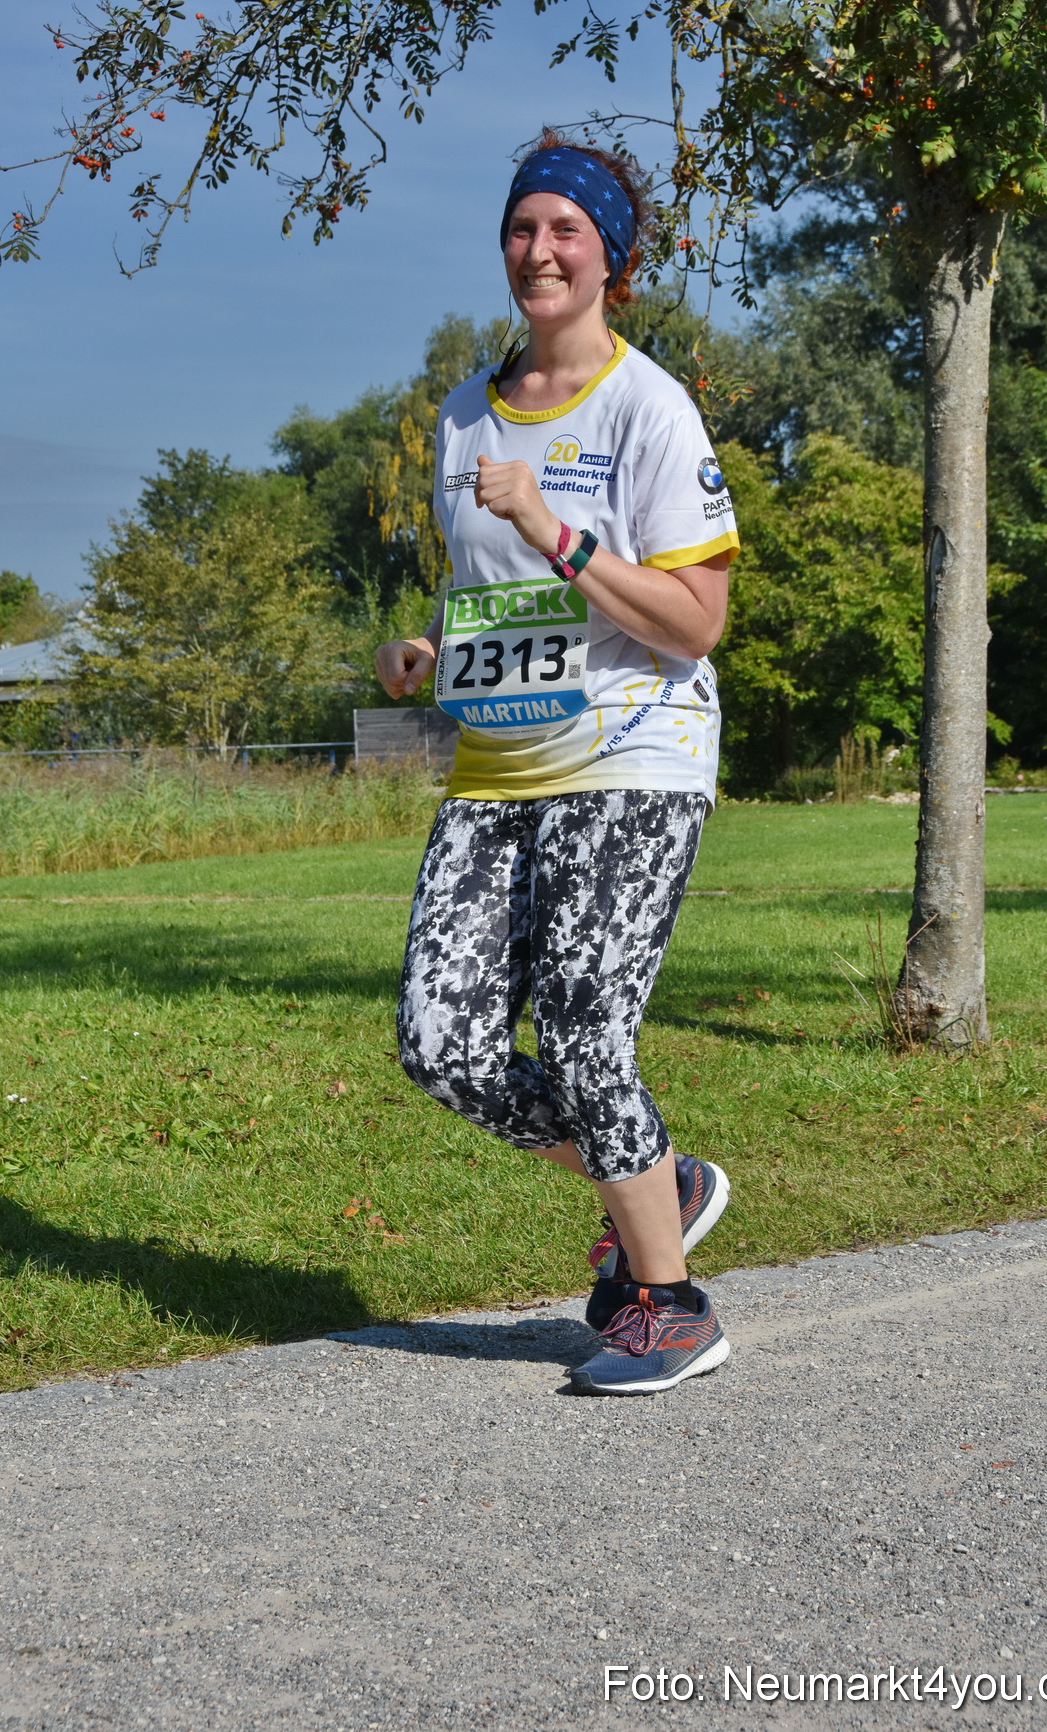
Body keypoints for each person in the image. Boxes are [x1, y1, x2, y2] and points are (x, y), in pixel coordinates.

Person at [375, 129, 740, 1396]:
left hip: (635, 754)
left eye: (566, 232)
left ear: (608, 260)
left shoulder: (648, 404)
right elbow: (488, 594)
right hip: (494, 772)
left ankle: (669, 1304)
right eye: (524, 229)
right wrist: (424, 646)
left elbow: (696, 619)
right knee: (443, 1043)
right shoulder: (463, 414)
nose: (540, 250)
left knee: (587, 1024)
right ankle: (657, 1179)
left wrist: (558, 528)